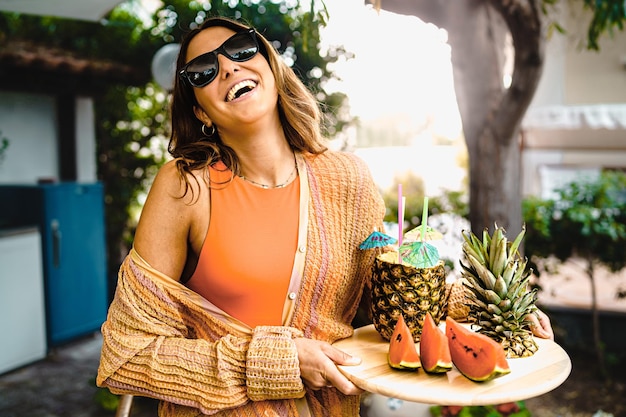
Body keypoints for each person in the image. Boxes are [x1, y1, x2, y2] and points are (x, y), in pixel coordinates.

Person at [97, 16, 554, 417]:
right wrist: (275, 363)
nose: (229, 67)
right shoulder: (184, 186)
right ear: (200, 111)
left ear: (271, 66)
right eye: (203, 70)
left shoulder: (347, 178)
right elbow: (126, 357)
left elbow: (391, 291)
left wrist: (488, 312)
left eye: (240, 49)